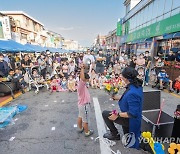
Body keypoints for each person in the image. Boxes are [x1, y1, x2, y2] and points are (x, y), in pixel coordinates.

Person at [102, 67, 143, 149]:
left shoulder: (132, 92)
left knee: (105, 114)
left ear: (126, 78)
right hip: (130, 116)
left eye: (122, 75)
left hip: (131, 120)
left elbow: (132, 114)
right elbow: (129, 99)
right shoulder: (135, 85)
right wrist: (117, 97)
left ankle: (115, 134)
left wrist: (117, 114)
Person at [77, 63, 93, 137]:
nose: (88, 81)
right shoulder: (82, 83)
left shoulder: (81, 85)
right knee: (85, 120)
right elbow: (82, 78)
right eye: (87, 80)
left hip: (81, 105)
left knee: (80, 116)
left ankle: (80, 128)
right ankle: (87, 132)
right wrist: (82, 68)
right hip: (84, 105)